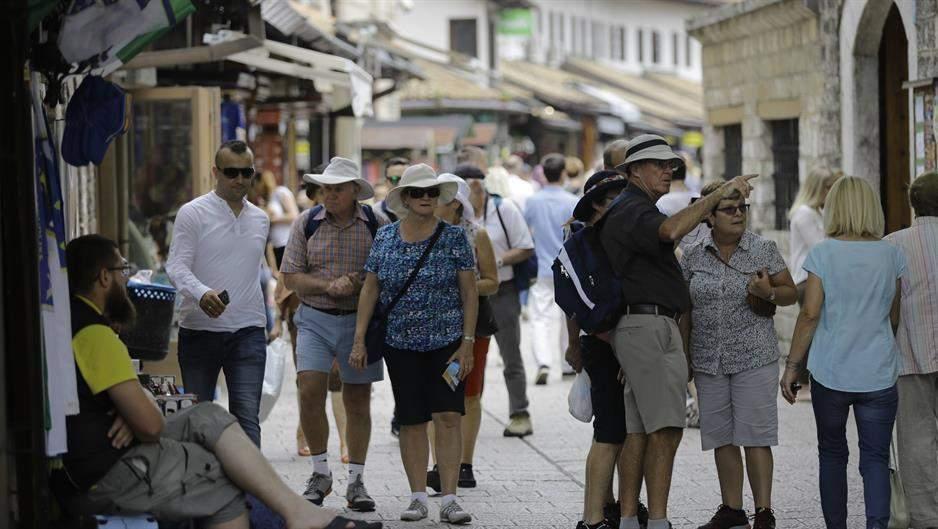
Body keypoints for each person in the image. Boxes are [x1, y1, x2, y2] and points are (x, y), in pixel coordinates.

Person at [54, 234, 380, 529]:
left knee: (207, 414)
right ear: (104, 277)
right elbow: (151, 426)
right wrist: (138, 407)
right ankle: (299, 516)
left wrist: (134, 405)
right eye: (122, 270)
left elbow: (135, 414)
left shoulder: (73, 321)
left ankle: (299, 512)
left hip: (98, 460)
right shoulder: (95, 335)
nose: (127, 279)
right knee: (220, 479)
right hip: (104, 475)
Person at [600, 134, 757, 529]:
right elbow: (671, 231)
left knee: (639, 430)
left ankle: (633, 517)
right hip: (649, 325)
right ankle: (657, 520)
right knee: (666, 429)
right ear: (634, 170)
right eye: (659, 164)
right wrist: (716, 194)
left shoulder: (635, 207)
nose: (668, 170)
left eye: (671, 164)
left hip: (645, 326)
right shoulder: (635, 208)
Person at [350, 164, 477, 524]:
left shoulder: (454, 237)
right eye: (418, 192)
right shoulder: (386, 237)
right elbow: (371, 288)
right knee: (411, 419)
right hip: (400, 344)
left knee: (449, 415)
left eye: (431, 193)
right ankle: (418, 496)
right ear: (404, 198)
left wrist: (467, 343)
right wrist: (359, 339)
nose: (425, 198)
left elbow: (470, 292)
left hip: (448, 343)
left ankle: (449, 498)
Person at [781, 177, 906, 529]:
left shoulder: (823, 253)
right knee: (876, 458)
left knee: (833, 454)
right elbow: (893, 316)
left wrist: (792, 367)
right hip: (879, 372)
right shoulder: (891, 254)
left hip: (831, 372)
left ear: (833, 208)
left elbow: (809, 314)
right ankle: (876, 525)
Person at [681, 181, 797, 529]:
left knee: (756, 436)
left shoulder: (762, 249)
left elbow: (791, 292)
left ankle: (764, 511)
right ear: (709, 216)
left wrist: (770, 292)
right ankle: (732, 510)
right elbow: (685, 310)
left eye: (742, 209)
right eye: (728, 209)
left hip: (754, 357)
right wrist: (685, 355)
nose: (738, 215)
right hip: (708, 358)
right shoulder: (693, 254)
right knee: (721, 436)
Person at [279, 157, 387, 510]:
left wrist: (358, 282)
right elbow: (291, 277)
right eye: (325, 188)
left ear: (355, 190)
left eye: (337, 188)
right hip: (314, 317)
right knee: (309, 387)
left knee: (357, 399)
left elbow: (387, 271)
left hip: (361, 320)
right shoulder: (306, 222)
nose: (329, 195)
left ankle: (356, 480)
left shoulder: (376, 222)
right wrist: (329, 285)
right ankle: (320, 473)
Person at [166, 140, 270, 447]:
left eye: (246, 172)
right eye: (231, 172)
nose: (239, 179)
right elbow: (176, 265)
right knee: (199, 420)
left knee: (247, 418)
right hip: (200, 331)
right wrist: (201, 292)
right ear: (216, 172)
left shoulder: (260, 219)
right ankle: (205, 490)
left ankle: (252, 496)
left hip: (249, 331)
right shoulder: (193, 213)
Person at [562, 171, 642, 529]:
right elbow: (575, 302)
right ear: (597, 203)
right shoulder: (582, 244)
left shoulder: (622, 237)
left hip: (630, 345)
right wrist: (577, 343)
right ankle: (592, 517)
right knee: (610, 432)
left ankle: (623, 508)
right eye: (615, 199)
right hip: (605, 345)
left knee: (628, 432)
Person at [426, 173, 500, 491]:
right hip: (431, 327)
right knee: (435, 396)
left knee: (468, 394)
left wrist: (462, 287)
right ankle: (439, 465)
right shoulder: (422, 232)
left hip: (472, 328)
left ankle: (465, 464)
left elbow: (492, 281)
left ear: (456, 203)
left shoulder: (476, 234)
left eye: (438, 196)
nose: (429, 201)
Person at [457, 162, 536, 437]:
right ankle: (466, 408)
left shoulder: (504, 209)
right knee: (466, 356)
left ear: (482, 185)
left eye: (475, 184)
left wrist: (496, 260)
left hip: (501, 289)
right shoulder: (452, 217)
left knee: (510, 353)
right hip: (462, 297)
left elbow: (525, 247)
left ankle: (519, 412)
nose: (471, 190)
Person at [884, 171, 938, 529]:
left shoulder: (893, 245)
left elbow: (888, 307)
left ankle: (926, 515)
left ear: (912, 204)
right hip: (912, 352)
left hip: (910, 353)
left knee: (916, 437)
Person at [524, 153, 579, 384]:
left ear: (543, 175)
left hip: (541, 268)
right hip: (567, 267)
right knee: (569, 315)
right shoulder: (571, 201)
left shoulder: (533, 201)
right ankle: (567, 365)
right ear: (564, 173)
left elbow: (526, 233)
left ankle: (544, 362)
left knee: (540, 318)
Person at [374, 157, 409, 223]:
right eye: (395, 179)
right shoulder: (375, 213)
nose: (400, 183)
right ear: (386, 182)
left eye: (405, 178)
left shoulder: (421, 209)